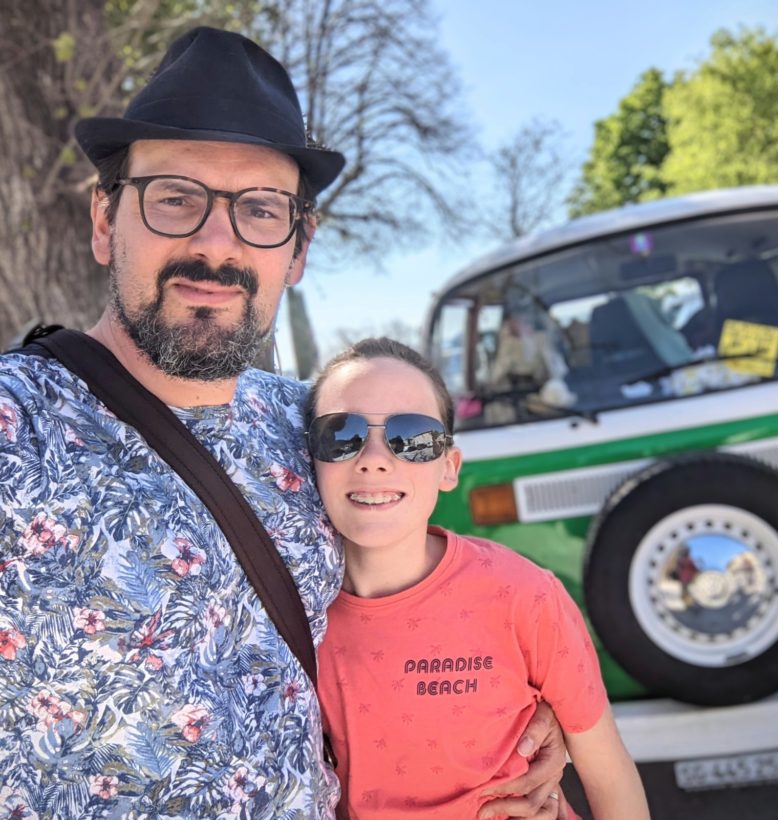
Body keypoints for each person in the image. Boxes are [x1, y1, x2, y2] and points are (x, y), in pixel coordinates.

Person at [0, 27, 565, 819]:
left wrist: (528, 705)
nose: (215, 244)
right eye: (174, 198)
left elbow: (425, 595)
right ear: (105, 220)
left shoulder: (323, 425)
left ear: (297, 251)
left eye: (261, 210)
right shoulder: (16, 423)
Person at [308, 337, 650, 820]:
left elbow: (610, 776)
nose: (374, 458)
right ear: (310, 459)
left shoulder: (523, 596)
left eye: (413, 437)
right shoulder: (293, 616)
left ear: (449, 467)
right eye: (340, 434)